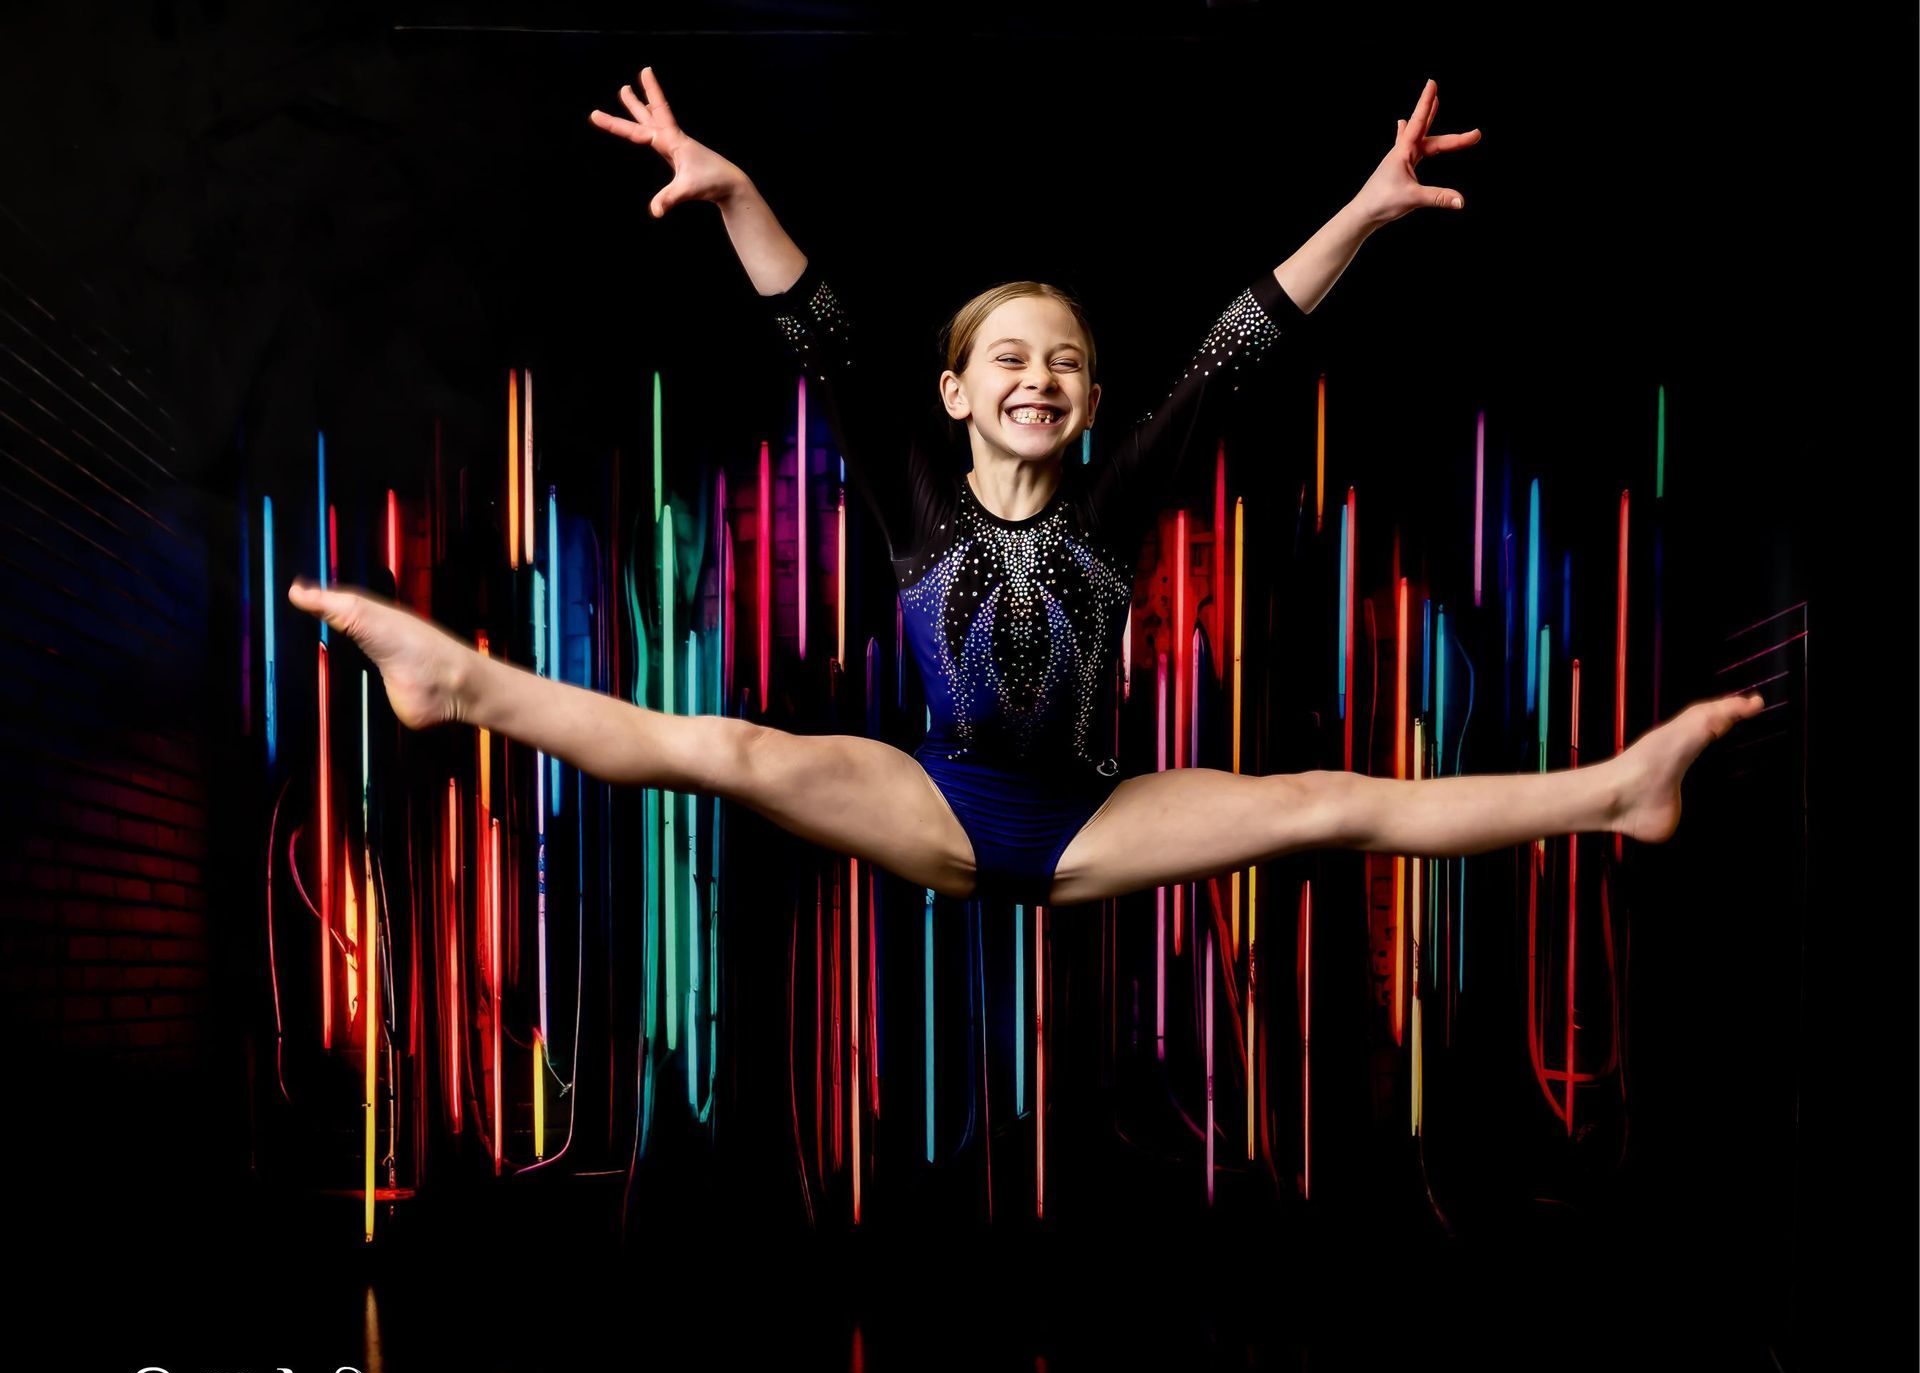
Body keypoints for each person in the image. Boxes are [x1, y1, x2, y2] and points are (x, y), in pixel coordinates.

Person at [288, 70, 1766, 909]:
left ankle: (1618, 790)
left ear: (1092, 400)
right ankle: (461, 686)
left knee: (1328, 803)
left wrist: (1368, 211)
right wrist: (733, 192)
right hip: (935, 794)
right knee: (727, 747)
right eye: (1007, 355)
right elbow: (816, 326)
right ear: (955, 388)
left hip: (1090, 816)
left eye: (1063, 360)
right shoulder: (908, 470)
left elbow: (1245, 345)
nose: (1037, 376)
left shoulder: (1120, 491)